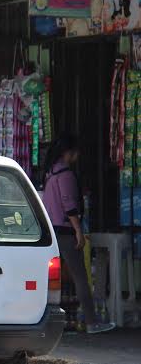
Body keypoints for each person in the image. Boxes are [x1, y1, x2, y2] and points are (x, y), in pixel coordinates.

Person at [41, 134, 115, 334]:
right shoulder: (64, 174)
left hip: (53, 231)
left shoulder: (50, 173)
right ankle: (92, 322)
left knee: (50, 279)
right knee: (80, 277)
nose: (78, 155)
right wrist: (79, 231)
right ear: (68, 153)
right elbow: (69, 205)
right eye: (76, 151)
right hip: (65, 231)